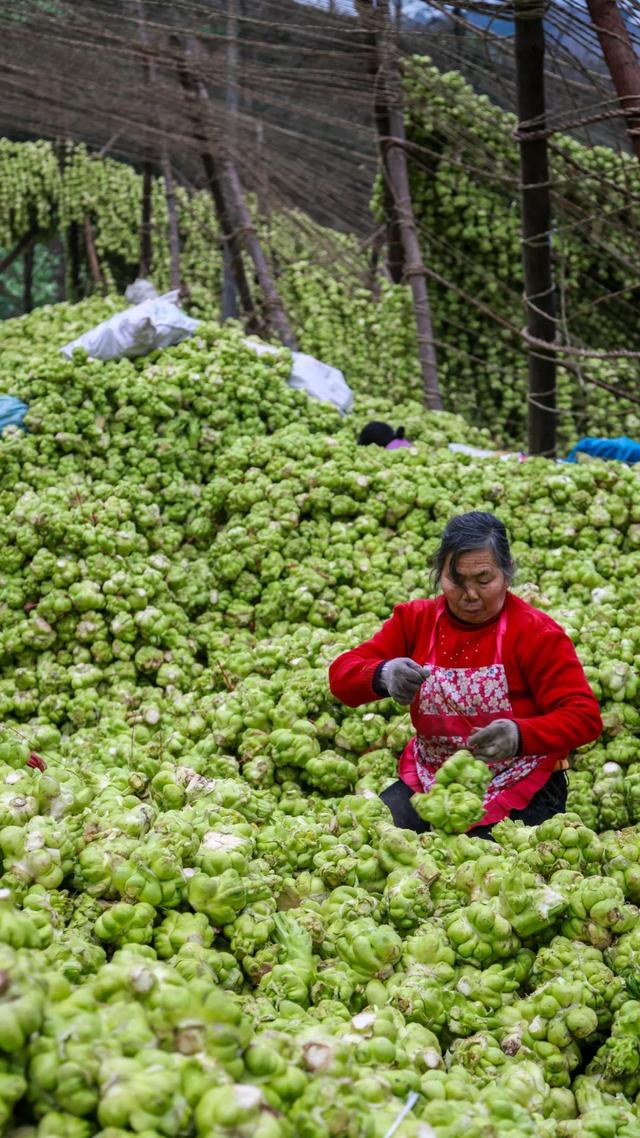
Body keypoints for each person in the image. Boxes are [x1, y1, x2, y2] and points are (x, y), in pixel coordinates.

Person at [329, 511, 602, 837]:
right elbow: (341, 676)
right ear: (439, 573)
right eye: (456, 581)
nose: (469, 594)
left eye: (484, 580)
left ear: (506, 573)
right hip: (434, 776)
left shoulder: (535, 632)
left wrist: (519, 735)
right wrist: (382, 674)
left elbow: (584, 717)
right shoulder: (416, 621)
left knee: (471, 864)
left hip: (518, 782)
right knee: (367, 834)